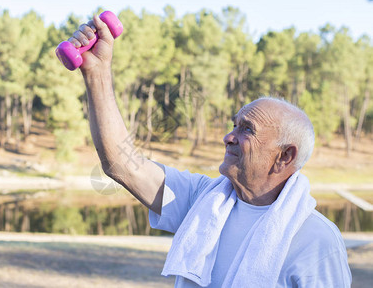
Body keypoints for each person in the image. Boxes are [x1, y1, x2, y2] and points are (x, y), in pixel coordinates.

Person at [68, 15, 352, 287]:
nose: (229, 137)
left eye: (247, 130)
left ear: (285, 157)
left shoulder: (318, 240)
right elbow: (121, 163)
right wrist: (97, 72)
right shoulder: (201, 200)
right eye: (234, 125)